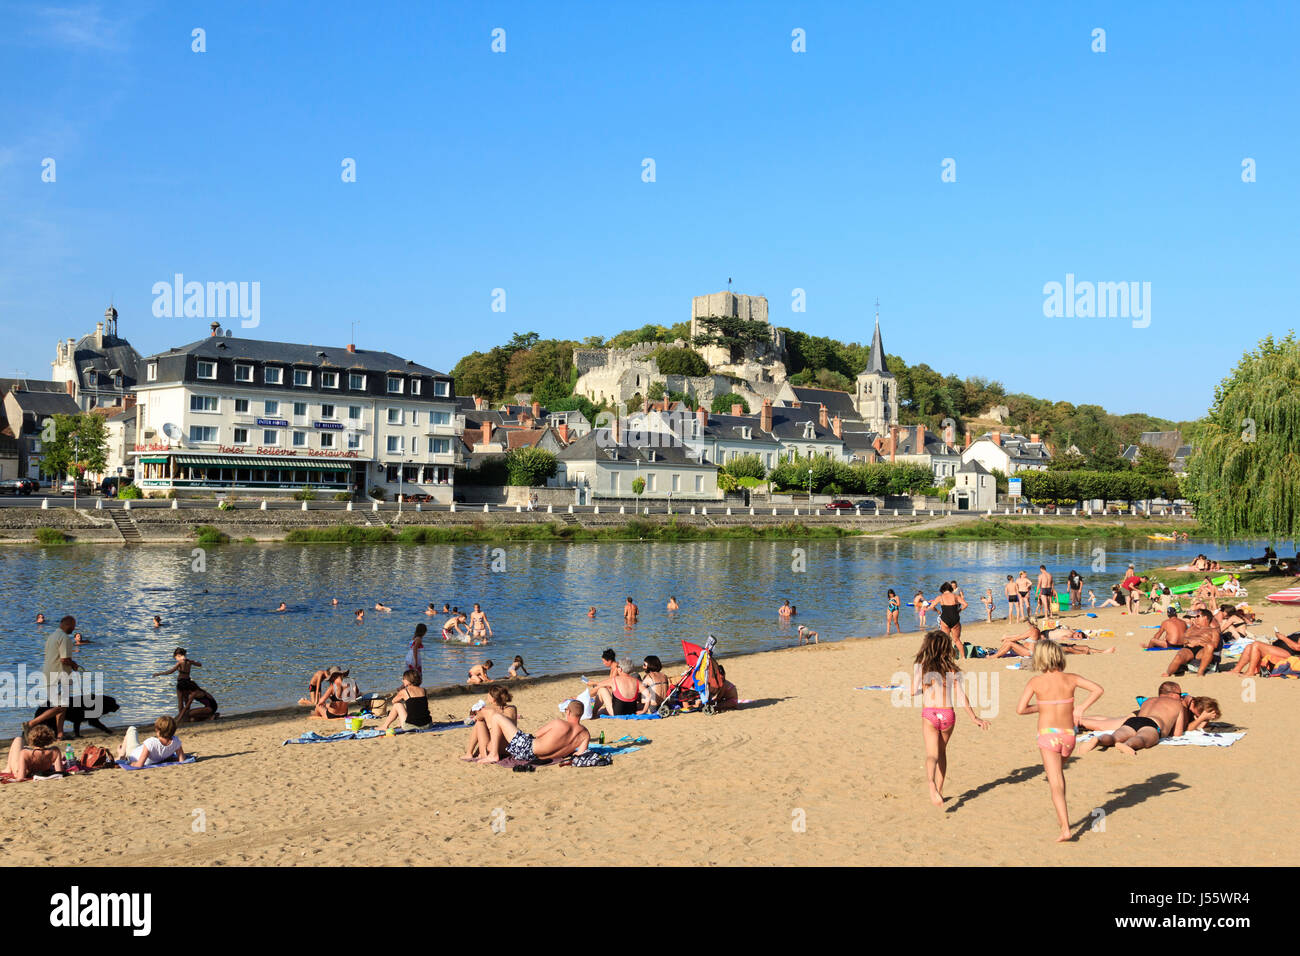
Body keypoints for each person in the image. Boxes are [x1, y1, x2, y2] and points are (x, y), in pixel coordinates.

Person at [1016, 639, 1104, 841]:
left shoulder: (1035, 682)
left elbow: (1021, 710)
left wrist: (1042, 706)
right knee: (1057, 777)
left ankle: (1065, 828)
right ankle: (1061, 817)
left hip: (1048, 735)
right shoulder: (1070, 678)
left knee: (1056, 784)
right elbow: (1098, 689)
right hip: (1068, 735)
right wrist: (1081, 707)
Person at [911, 630, 989, 807]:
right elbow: (961, 696)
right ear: (946, 648)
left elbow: (912, 691)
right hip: (947, 715)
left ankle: (931, 785)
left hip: (930, 714)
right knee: (942, 753)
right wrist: (974, 717)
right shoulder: (952, 669)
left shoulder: (922, 667)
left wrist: (922, 689)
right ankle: (940, 789)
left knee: (932, 754)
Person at [1077, 681, 1185, 756]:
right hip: (1152, 723)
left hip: (1133, 721)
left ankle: (1099, 740)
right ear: (1171, 694)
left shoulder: (1148, 701)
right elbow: (1177, 733)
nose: (1181, 697)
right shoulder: (1178, 704)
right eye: (1179, 694)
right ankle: (1127, 744)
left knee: (1115, 737)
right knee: (1143, 739)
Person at [477, 699, 590, 764]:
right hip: (540, 758)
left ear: (568, 711)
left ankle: (493, 754)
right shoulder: (585, 734)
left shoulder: (559, 723)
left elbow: (537, 734)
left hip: (527, 749)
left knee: (497, 717)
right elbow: (579, 753)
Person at [28, 615, 80, 740]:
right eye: (73, 626)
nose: (73, 629)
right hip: (59, 674)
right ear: (67, 624)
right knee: (60, 706)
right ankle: (32, 723)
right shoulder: (65, 638)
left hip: (48, 672)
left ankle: (60, 734)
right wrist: (74, 665)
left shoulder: (51, 637)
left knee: (61, 705)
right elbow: (64, 659)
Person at [463, 685, 518, 759]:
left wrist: (477, 714)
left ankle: (469, 753)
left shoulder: (487, 710)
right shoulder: (513, 708)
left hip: (493, 749)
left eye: (488, 694)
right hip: (508, 749)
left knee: (479, 722)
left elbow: (474, 719)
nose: (487, 695)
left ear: (493, 699)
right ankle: (472, 753)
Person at [1163, 610, 1221, 677]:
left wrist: (1200, 643)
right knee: (1179, 656)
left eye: (1198, 616)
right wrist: (1189, 641)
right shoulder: (1192, 629)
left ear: (1205, 617)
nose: (1195, 618)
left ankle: (1200, 672)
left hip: (1203, 650)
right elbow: (1183, 639)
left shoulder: (1213, 631)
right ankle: (1168, 672)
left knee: (1210, 646)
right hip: (1189, 648)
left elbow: (1215, 644)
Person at [118, 715, 186, 767]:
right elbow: (182, 760)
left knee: (132, 729)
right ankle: (122, 752)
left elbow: (139, 764)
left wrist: (130, 764)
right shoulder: (176, 741)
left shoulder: (151, 742)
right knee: (138, 744)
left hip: (132, 754)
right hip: (142, 750)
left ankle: (121, 754)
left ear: (157, 730)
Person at [1229, 626, 1300, 676]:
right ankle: (1236, 670)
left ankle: (1250, 671)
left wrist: (1283, 638)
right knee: (1249, 646)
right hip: (1280, 649)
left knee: (1256, 644)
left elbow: (1297, 647)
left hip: (1289, 654)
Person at [931, 582, 967, 659]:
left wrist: (937, 611)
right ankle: (963, 657)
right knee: (957, 640)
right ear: (950, 589)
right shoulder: (955, 596)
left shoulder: (940, 597)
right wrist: (959, 610)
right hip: (955, 618)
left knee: (946, 640)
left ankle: (946, 657)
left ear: (942, 589)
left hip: (945, 618)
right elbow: (965, 604)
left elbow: (931, 606)